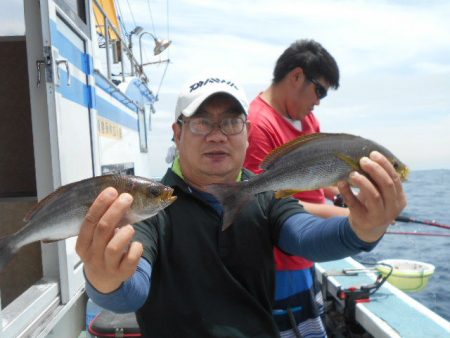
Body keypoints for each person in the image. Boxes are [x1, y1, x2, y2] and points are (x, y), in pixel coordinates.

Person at [76, 74, 406, 338]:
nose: (217, 135)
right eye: (201, 122)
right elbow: (131, 292)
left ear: (247, 133)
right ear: (177, 133)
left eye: (232, 122)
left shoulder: (262, 194)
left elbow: (304, 234)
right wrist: (107, 282)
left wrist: (362, 230)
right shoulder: (152, 204)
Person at [244, 39, 348, 337]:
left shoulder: (307, 119)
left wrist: (342, 195)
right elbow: (264, 201)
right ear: (297, 76)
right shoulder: (258, 124)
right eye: (320, 91)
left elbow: (318, 175)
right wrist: (346, 218)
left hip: (306, 253)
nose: (319, 101)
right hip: (280, 264)